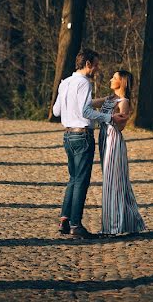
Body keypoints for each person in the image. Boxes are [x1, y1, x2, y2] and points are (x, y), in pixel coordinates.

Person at [52, 49, 125, 239]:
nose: (97, 69)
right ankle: (76, 225)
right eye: (96, 65)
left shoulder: (65, 82)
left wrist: (103, 100)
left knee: (73, 179)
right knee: (81, 181)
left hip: (68, 136)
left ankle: (65, 220)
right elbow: (86, 112)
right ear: (87, 65)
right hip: (83, 136)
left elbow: (57, 110)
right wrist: (109, 116)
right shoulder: (84, 82)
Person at [96, 70, 145, 236]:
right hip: (104, 139)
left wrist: (104, 117)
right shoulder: (110, 99)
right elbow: (89, 103)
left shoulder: (124, 101)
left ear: (122, 82)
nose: (111, 79)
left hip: (113, 140)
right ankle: (128, 223)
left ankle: (113, 226)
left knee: (114, 181)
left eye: (114, 78)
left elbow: (121, 125)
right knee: (112, 179)